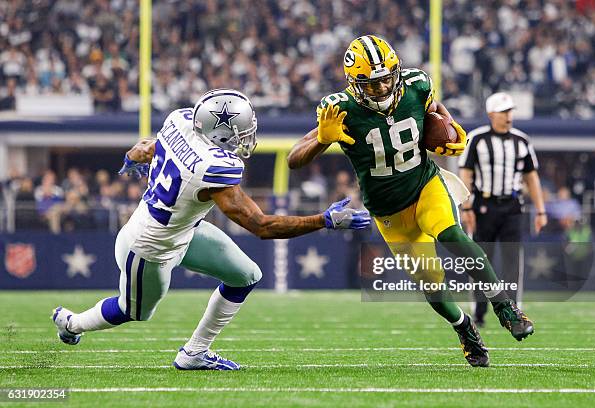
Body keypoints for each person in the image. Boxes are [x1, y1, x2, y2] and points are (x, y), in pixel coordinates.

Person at [51, 89, 370, 370]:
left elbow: (145, 147)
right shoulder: (215, 166)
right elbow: (261, 226)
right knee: (132, 310)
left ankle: (195, 353)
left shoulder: (180, 120)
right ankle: (71, 323)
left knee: (245, 275)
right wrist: (323, 220)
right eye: (242, 131)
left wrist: (130, 159)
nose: (246, 137)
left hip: (181, 231)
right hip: (149, 248)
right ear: (221, 133)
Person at [287, 35, 534, 368]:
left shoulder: (416, 84)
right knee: (432, 285)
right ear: (354, 83)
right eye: (373, 84)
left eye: (388, 78)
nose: (384, 87)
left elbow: (435, 113)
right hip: (388, 210)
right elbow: (293, 159)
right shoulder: (338, 109)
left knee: (452, 235)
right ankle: (464, 327)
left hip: (424, 185)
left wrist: (451, 128)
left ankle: (504, 305)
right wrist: (321, 139)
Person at [459, 92, 547, 326]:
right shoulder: (476, 139)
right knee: (479, 260)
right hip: (483, 206)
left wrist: (541, 210)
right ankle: (479, 311)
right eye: (504, 112)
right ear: (491, 114)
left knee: (512, 261)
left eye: (510, 111)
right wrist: (466, 207)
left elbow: (531, 177)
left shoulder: (521, 140)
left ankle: (514, 311)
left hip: (512, 206)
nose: (509, 116)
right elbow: (465, 173)